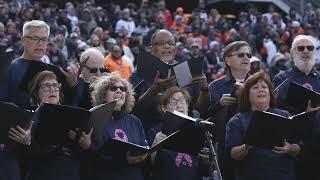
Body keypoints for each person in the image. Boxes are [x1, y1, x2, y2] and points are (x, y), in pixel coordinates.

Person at [225, 70, 303, 180]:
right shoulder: (237, 121)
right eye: (255, 87)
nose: (261, 89)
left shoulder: (285, 115)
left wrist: (289, 148)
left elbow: (298, 148)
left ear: (270, 93)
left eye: (264, 87)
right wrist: (247, 145)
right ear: (247, 95)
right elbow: (232, 154)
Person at [130, 29, 208, 131]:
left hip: (184, 130)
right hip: (151, 132)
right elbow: (133, 109)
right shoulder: (139, 72)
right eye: (161, 43)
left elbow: (200, 109)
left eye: (171, 43)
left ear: (175, 49)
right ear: (151, 48)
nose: (167, 46)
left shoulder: (186, 70)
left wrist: (205, 90)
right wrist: (154, 89)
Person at [197, 40, 252, 180]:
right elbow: (204, 116)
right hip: (225, 145)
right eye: (240, 55)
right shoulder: (215, 86)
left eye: (248, 55)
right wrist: (220, 105)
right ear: (227, 60)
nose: (246, 58)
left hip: (253, 143)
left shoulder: (259, 83)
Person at [27, 70, 92, 180]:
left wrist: (86, 145)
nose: (52, 89)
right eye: (47, 86)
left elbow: (82, 153)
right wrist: (27, 142)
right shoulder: (30, 117)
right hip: (43, 173)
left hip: (70, 172)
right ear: (36, 92)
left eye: (55, 85)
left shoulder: (72, 113)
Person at [0, 20, 79, 109]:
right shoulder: (8, 68)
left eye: (44, 39)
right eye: (35, 39)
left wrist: (72, 83)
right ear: (23, 40)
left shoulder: (54, 71)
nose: (40, 43)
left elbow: (67, 107)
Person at [273, 35, 320, 180]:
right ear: (293, 53)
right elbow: (276, 111)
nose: (306, 51)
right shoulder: (281, 78)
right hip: (293, 145)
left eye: (310, 48)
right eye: (301, 48)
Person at [90, 73, 149, 180]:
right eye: (113, 88)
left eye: (123, 88)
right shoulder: (95, 118)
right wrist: (124, 160)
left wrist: (142, 156)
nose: (119, 91)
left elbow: (144, 151)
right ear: (103, 94)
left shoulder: (135, 121)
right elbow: (95, 157)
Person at [148, 86, 212, 180]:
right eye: (173, 102)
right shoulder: (155, 132)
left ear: (187, 105)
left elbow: (205, 171)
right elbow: (149, 167)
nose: (179, 106)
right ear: (163, 108)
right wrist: (154, 146)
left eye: (182, 101)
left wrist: (205, 160)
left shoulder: (198, 129)